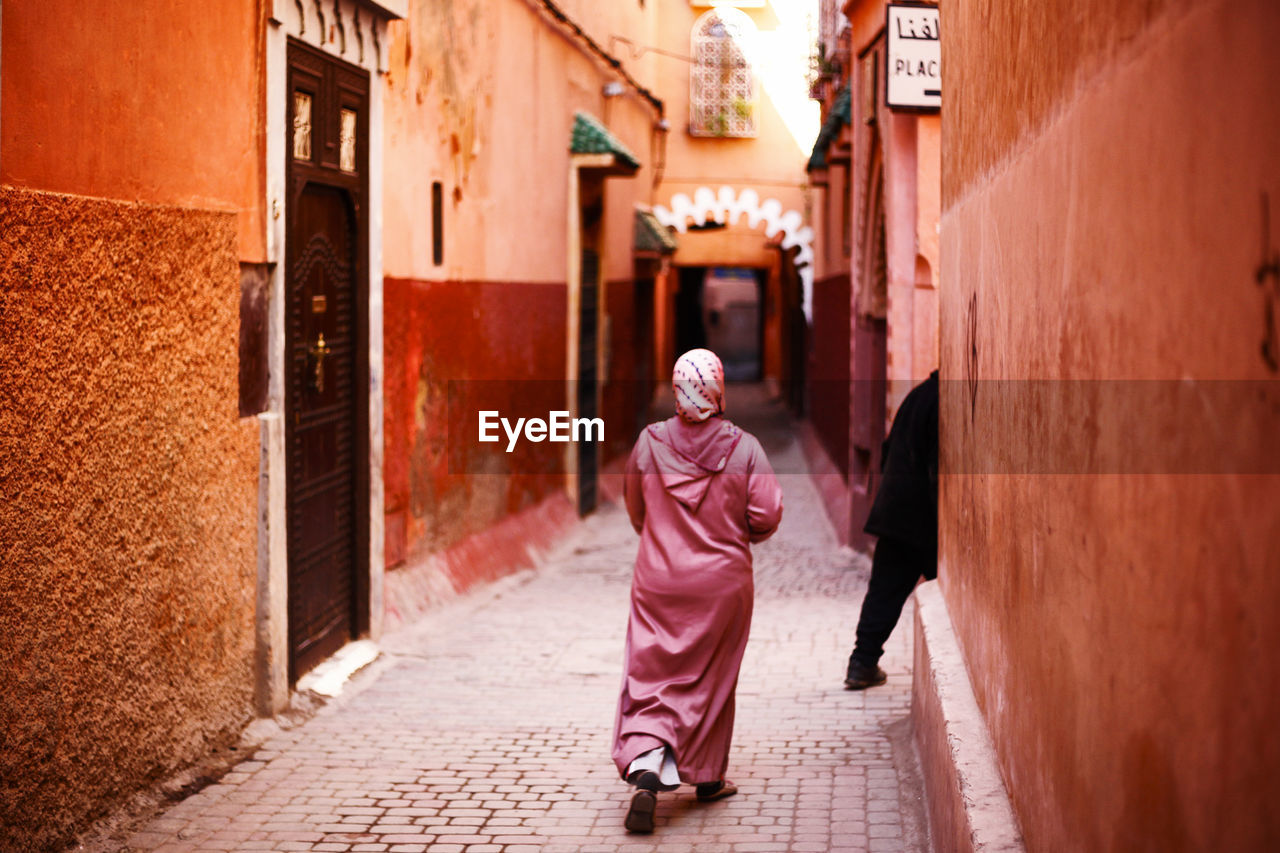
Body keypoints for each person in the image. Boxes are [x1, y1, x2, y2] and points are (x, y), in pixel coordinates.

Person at [612, 348, 784, 834]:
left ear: (677, 388)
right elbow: (766, 515)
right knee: (711, 679)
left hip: (658, 582)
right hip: (722, 585)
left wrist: (663, 538)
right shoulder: (745, 448)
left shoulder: (648, 443)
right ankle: (706, 778)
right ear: (718, 388)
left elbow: (636, 510)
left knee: (651, 674)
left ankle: (647, 767)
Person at [844, 369, 939, 690]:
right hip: (926, 519)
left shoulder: (916, 397)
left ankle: (862, 662)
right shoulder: (943, 403)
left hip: (895, 512)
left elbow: (887, 452)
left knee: (884, 591)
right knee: (950, 597)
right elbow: (937, 469)